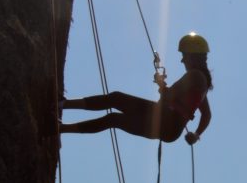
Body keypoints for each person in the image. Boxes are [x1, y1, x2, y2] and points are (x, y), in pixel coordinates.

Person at [59, 33, 213, 145]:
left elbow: (168, 95)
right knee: (113, 116)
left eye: (184, 55)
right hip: (170, 127)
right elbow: (206, 114)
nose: (182, 60)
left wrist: (160, 84)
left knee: (115, 102)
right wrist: (196, 135)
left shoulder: (194, 76)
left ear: (193, 56)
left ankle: (63, 105)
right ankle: (61, 127)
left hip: (166, 120)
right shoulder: (203, 83)